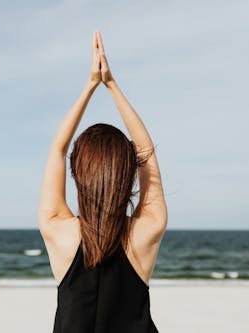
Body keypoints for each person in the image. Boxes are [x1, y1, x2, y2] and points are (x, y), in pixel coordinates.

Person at [38, 30, 168, 333]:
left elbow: (57, 149)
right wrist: (112, 85)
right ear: (129, 173)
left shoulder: (58, 231)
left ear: (76, 174)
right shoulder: (145, 231)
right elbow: (147, 153)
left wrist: (90, 86)